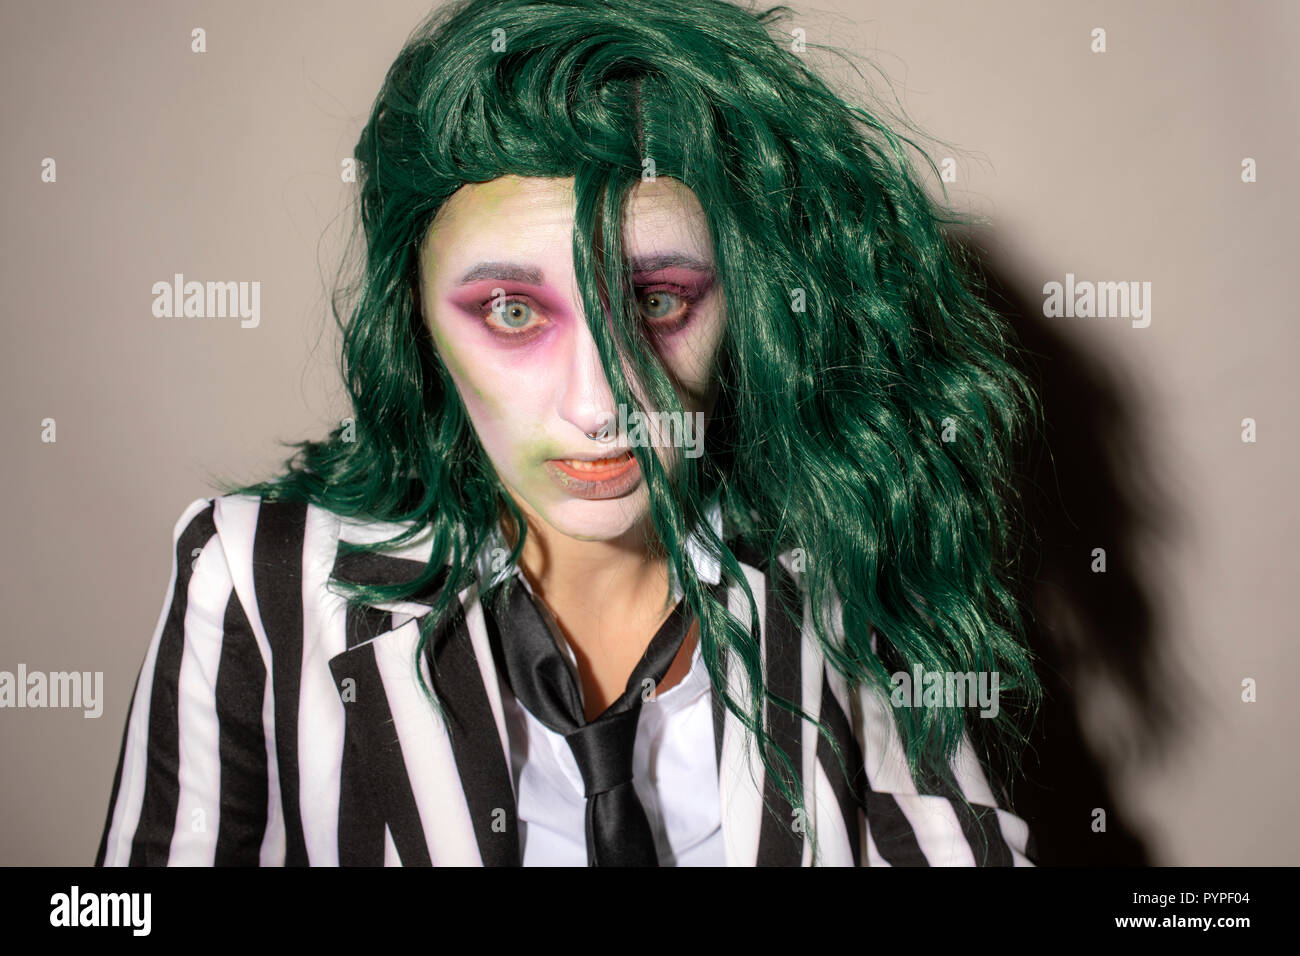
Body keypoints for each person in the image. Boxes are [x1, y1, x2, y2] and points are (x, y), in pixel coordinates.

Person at [96, 0, 1044, 866]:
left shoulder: (838, 558)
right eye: (512, 311)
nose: (602, 406)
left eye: (660, 300)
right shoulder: (259, 584)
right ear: (417, 321)